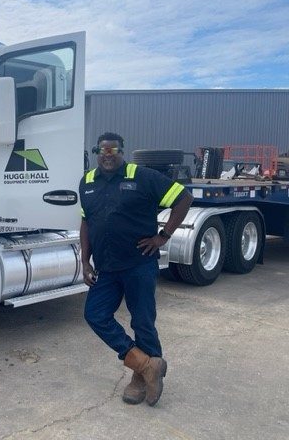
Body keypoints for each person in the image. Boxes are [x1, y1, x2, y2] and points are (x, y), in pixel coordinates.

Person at [79, 132, 193, 407]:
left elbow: (183, 198)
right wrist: (85, 261)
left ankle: (140, 378)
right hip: (106, 268)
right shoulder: (87, 182)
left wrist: (163, 236)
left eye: (113, 150)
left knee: (142, 321)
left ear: (122, 151)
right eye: (102, 150)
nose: (107, 155)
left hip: (138, 265)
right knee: (95, 314)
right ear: (96, 152)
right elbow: (86, 222)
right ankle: (146, 366)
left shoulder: (142, 176)